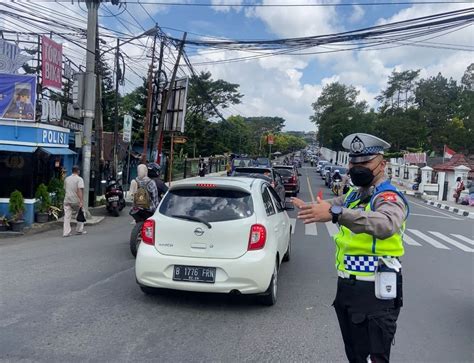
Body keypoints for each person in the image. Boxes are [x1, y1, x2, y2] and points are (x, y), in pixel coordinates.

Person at [292, 133, 409, 363]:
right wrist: (311, 207)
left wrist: (336, 214)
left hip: (375, 293)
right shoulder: (354, 195)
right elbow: (329, 206)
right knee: (355, 356)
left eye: (365, 163)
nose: (357, 168)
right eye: (354, 163)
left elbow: (387, 223)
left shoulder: (387, 197)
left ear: (381, 164)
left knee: (372, 359)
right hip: (348, 290)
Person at [63, 165, 86, 237]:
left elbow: (65, 189)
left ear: (72, 171)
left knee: (67, 216)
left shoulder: (67, 179)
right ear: (78, 171)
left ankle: (66, 232)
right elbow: (79, 190)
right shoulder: (79, 179)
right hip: (75, 200)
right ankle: (79, 230)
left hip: (67, 200)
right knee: (81, 213)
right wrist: (81, 201)